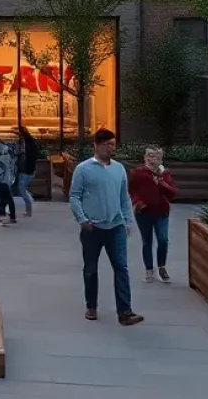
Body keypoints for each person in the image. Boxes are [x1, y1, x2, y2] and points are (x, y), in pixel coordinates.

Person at [69, 128, 143, 326]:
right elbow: (74, 196)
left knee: (121, 267)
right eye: (105, 145)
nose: (109, 148)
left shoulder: (119, 169)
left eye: (111, 144)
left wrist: (127, 221)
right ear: (95, 145)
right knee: (91, 269)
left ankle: (125, 311)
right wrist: (83, 220)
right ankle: (91, 306)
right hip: (92, 228)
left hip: (116, 226)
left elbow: (124, 196)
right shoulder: (83, 169)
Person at [128, 145, 176, 284]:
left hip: (161, 212)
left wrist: (161, 183)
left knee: (163, 239)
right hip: (143, 213)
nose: (151, 159)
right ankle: (149, 269)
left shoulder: (165, 174)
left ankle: (161, 266)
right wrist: (138, 202)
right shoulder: (137, 173)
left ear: (161, 159)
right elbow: (132, 191)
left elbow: (172, 193)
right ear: (144, 157)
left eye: (155, 156)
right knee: (147, 241)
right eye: (149, 156)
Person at [17, 127, 40, 218]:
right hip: (26, 169)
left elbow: (34, 155)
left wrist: (23, 154)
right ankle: (29, 200)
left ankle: (29, 208)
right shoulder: (28, 142)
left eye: (20, 134)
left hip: (27, 170)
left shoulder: (29, 142)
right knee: (22, 189)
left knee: (22, 190)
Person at [0, 140, 18, 225]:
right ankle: (11, 217)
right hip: (6, 181)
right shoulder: (9, 157)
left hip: (1, 181)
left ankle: (4, 216)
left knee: (4, 199)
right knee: (8, 199)